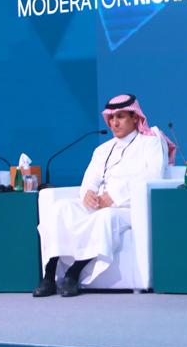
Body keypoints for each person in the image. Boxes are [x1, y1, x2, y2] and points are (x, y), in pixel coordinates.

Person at [33, 94, 173, 297]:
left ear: (135, 118)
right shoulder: (102, 149)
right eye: (111, 118)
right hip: (99, 204)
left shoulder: (150, 144)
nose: (114, 123)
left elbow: (152, 176)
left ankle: (73, 273)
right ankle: (49, 274)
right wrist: (88, 194)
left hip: (129, 207)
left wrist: (114, 196)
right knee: (60, 209)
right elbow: (90, 180)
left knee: (105, 217)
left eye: (120, 117)